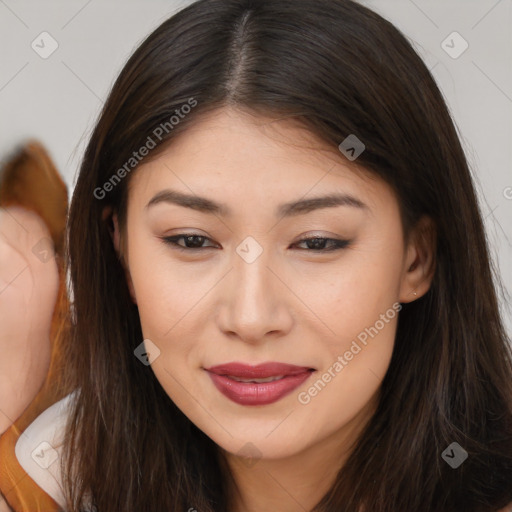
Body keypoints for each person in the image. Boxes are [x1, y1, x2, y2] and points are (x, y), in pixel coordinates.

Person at [1, 0, 512, 510]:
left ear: (416, 259)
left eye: (317, 242)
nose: (250, 318)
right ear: (122, 253)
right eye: (191, 240)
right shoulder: (45, 479)